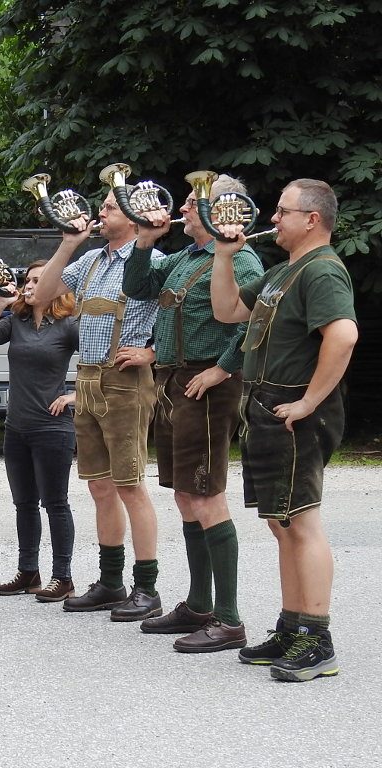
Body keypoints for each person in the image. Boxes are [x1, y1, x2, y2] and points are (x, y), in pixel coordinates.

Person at [210, 179, 357, 682]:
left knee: (302, 521)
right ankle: (292, 626)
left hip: (293, 407)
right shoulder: (282, 271)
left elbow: (344, 334)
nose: (272, 219)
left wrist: (310, 401)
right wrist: (224, 256)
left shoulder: (322, 271)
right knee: (281, 522)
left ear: (312, 219)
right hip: (268, 405)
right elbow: (227, 311)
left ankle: (318, 639)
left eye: (281, 211)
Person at [122, 175, 264, 653]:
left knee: (206, 498)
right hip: (175, 383)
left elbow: (256, 322)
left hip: (206, 385)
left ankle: (228, 619)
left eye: (188, 203)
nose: (179, 210)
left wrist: (222, 371)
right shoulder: (182, 260)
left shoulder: (240, 258)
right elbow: (137, 286)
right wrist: (144, 238)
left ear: (216, 211)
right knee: (186, 496)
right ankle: (200, 604)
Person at [29, 187, 163, 621]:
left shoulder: (154, 262)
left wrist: (152, 353)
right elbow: (40, 295)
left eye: (107, 206)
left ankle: (146, 588)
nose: (99, 212)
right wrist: (69, 242)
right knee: (99, 485)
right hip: (86, 378)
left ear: (132, 213)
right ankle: (110, 582)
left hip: (125, 382)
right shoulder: (90, 260)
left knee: (129, 485)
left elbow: (189, 319)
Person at [0, 260, 79, 602]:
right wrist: (1, 302)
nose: (32, 285)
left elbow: (101, 360)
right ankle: (28, 571)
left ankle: (62, 577)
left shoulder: (68, 325)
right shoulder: (15, 322)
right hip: (16, 427)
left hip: (53, 428)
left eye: (39, 280)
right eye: (29, 280)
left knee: (56, 503)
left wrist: (76, 395)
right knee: (24, 504)